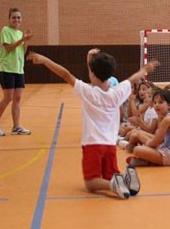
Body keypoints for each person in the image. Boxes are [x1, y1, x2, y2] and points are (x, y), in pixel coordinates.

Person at [27, 48, 157, 198]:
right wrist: (145, 69)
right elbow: (131, 79)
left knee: (91, 182)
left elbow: (65, 74)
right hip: (110, 145)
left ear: (93, 74)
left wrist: (44, 60)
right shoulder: (117, 93)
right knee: (110, 174)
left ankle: (112, 185)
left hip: (93, 144)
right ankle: (124, 178)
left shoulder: (88, 92)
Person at [0, 8, 33, 136]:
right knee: (7, 97)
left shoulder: (20, 33)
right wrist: (22, 40)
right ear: (9, 19)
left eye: (18, 17)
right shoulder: (5, 30)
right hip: (8, 68)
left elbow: (22, 51)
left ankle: (16, 126)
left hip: (19, 68)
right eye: (14, 17)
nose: (16, 20)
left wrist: (26, 41)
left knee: (17, 98)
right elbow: (8, 48)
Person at [125, 88, 170, 166]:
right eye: (155, 102)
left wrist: (145, 143)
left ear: (169, 105)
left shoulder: (168, 119)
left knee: (137, 149)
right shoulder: (163, 116)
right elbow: (158, 140)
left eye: (160, 102)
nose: (157, 105)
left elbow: (155, 143)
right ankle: (148, 160)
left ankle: (149, 161)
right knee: (138, 134)